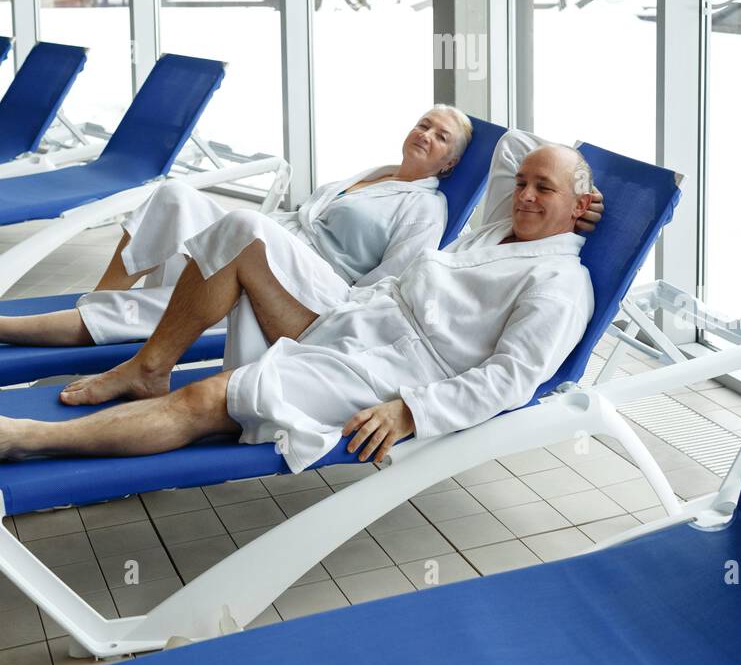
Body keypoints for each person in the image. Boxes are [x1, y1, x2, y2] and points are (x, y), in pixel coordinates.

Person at [0, 130, 597, 469]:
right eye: (521, 184)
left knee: (212, 396)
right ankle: (148, 366)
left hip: (396, 370)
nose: (523, 194)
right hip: (356, 317)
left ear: (575, 208)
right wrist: (567, 193)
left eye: (543, 189)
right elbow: (512, 151)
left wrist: (412, 411)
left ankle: (27, 439)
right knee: (242, 231)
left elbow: (511, 380)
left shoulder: (560, 284)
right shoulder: (497, 232)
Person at [0, 106, 473, 350]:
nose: (424, 135)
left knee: (234, 238)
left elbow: (393, 278)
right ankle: (101, 302)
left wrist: (342, 324)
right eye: (422, 124)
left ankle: (24, 329)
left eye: (439, 136)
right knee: (174, 195)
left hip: (318, 283)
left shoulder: (425, 208)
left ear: (449, 164)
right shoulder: (376, 172)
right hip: (275, 241)